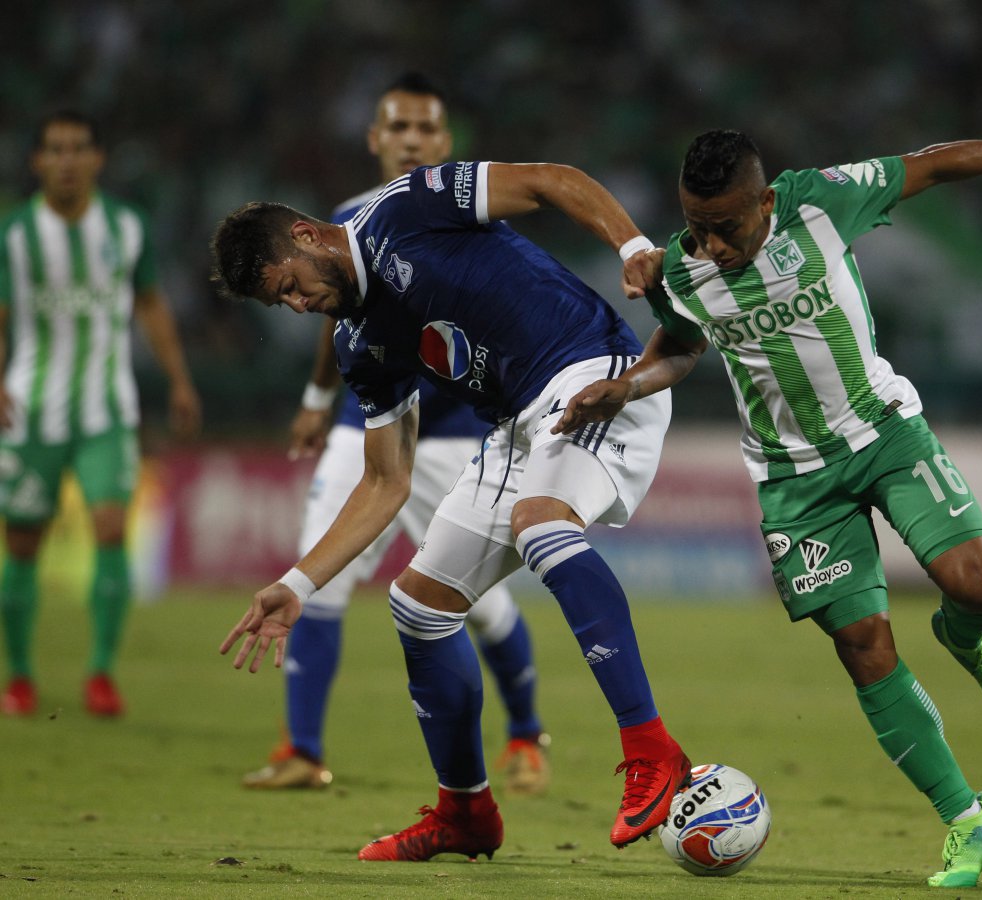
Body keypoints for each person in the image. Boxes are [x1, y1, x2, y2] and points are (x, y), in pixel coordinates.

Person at [555, 129, 982, 888]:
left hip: (884, 433)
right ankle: (968, 820)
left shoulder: (821, 203)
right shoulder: (680, 268)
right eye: (697, 227)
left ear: (766, 201)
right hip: (793, 482)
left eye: (726, 227)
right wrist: (627, 386)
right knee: (863, 643)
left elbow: (930, 165)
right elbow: (680, 347)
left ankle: (971, 638)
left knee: (972, 584)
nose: (712, 245)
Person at [211, 156, 689, 861]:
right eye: (280, 305)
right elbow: (385, 481)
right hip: (517, 427)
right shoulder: (358, 344)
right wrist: (298, 584)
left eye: (289, 287)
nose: (297, 307)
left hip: (595, 371)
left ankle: (652, 748)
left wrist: (633, 246)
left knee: (541, 524)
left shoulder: (407, 208)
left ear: (308, 237)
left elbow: (549, 180)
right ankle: (465, 812)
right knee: (419, 606)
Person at [242, 73, 550, 795]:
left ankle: (526, 735)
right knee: (317, 573)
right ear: (374, 138)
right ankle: (303, 749)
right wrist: (319, 397)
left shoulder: (460, 210)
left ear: (445, 142)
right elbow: (333, 316)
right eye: (399, 127)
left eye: (426, 128)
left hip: (452, 432)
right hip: (367, 423)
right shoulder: (336, 223)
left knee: (481, 604)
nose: (412, 140)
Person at [0, 110, 201, 718]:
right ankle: (21, 676)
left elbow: (150, 304)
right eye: (55, 149)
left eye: (78, 148)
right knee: (23, 543)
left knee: (112, 528)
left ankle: (101, 673)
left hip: (106, 410)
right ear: (38, 161)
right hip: (30, 410)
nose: (67, 160)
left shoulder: (126, 226)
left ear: (97, 158)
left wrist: (179, 380)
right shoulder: (14, 232)